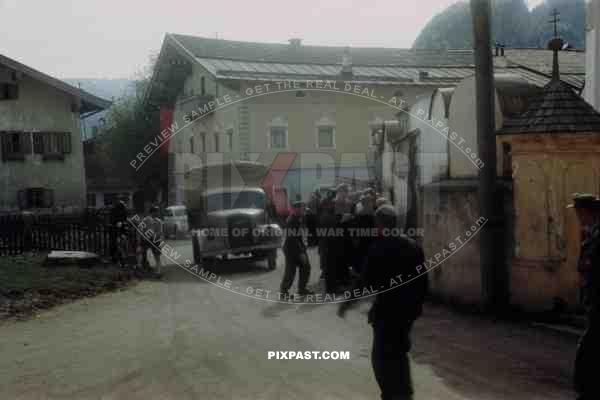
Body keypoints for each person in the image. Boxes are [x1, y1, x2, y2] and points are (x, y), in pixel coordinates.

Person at [338, 205, 428, 400]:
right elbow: (423, 281)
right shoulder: (413, 246)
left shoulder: (378, 249)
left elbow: (364, 282)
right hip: (406, 313)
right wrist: (416, 307)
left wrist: (347, 303)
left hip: (387, 312)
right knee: (400, 353)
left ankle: (392, 395)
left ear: (379, 225)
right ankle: (405, 393)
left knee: (381, 358)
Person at [571, 193, 600, 400]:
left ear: (586, 212)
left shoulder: (596, 237)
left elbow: (590, 269)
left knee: (587, 348)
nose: (577, 217)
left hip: (598, 301)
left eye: (578, 213)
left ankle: (586, 389)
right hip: (593, 301)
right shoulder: (591, 234)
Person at [280, 214, 313, 296]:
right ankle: (284, 291)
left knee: (305, 267)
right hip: (291, 249)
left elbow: (298, 237)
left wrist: (303, 246)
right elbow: (293, 238)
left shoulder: (296, 218)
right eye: (303, 209)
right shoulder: (292, 221)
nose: (305, 211)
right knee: (291, 270)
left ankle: (302, 289)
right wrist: (301, 252)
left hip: (294, 247)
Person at [140, 205, 164, 274]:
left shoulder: (159, 221)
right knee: (142, 253)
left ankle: (158, 271)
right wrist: (144, 237)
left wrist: (156, 237)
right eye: (156, 212)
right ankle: (143, 268)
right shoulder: (145, 220)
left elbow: (160, 232)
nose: (158, 213)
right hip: (146, 239)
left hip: (155, 240)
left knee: (157, 256)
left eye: (158, 212)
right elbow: (141, 230)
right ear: (152, 212)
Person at [109, 198, 128, 263]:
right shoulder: (116, 211)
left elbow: (125, 219)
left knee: (119, 245)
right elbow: (112, 220)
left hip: (119, 230)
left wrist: (122, 223)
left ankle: (119, 259)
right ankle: (117, 259)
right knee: (116, 245)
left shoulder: (117, 210)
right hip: (116, 230)